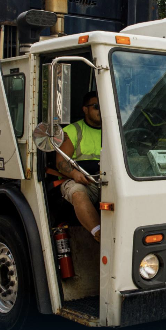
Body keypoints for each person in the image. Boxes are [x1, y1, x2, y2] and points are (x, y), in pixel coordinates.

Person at [56, 91, 102, 242]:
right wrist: (75, 174)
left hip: (107, 179)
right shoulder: (72, 130)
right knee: (77, 192)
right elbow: (61, 163)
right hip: (82, 181)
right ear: (85, 109)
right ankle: (99, 235)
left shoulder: (115, 131)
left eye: (103, 106)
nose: (100, 110)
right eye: (96, 106)